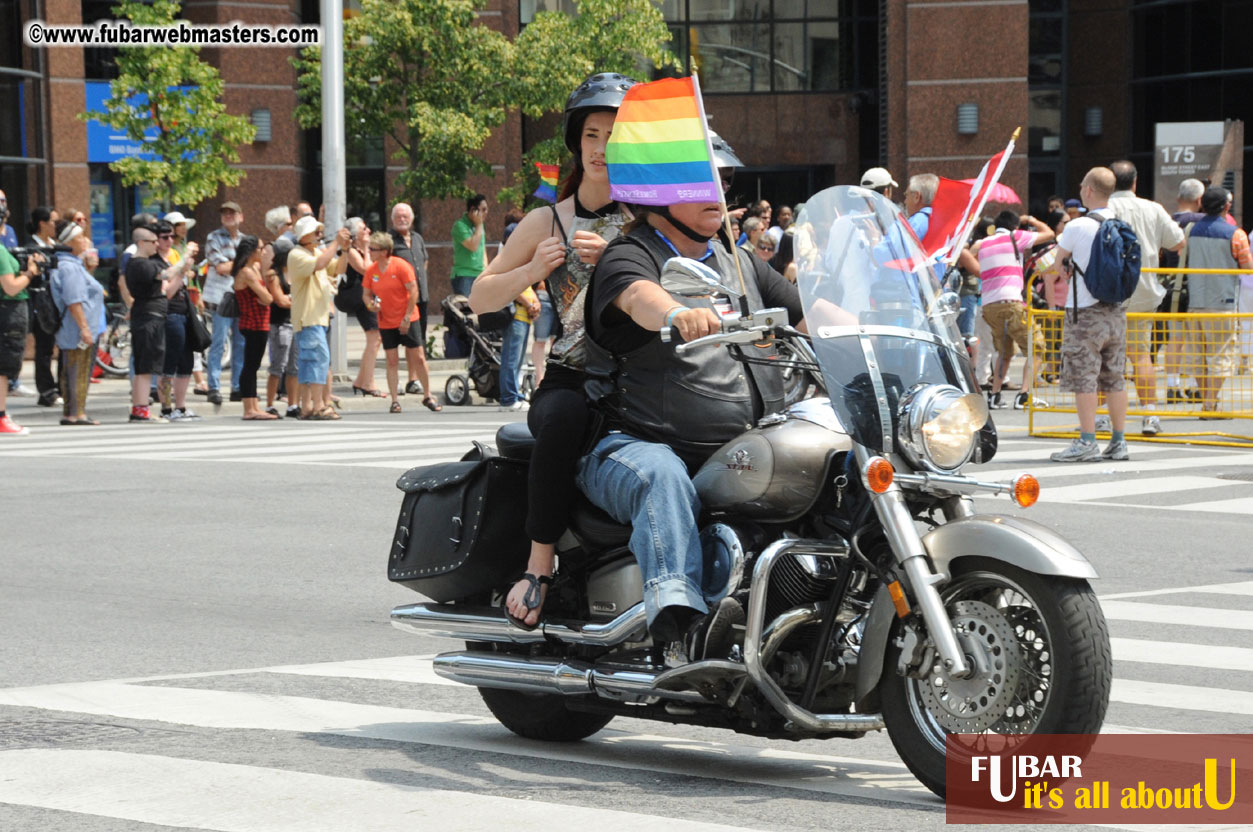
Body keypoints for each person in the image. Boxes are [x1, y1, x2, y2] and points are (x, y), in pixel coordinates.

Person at [577, 188, 806, 663]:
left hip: (734, 443)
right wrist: (677, 313)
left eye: (716, 183)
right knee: (662, 474)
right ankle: (683, 628)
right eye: (695, 184)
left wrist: (871, 322)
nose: (715, 195)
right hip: (631, 440)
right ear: (655, 197)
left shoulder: (738, 263)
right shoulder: (630, 254)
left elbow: (807, 313)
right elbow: (640, 296)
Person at [469, 71, 636, 629]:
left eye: (613, 135)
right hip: (569, 378)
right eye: (591, 135)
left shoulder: (647, 221)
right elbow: (479, 296)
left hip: (640, 376)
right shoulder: (549, 220)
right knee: (562, 418)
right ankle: (538, 565)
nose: (601, 148)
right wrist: (533, 268)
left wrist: (619, 250)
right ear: (577, 142)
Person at [1050, 167, 1130, 463]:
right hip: (1116, 311)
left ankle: (1087, 441)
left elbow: (1059, 264)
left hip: (1084, 312)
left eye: (1083, 185)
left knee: (1084, 378)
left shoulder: (1076, 226)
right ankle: (1119, 442)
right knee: (1114, 377)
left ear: (1089, 191)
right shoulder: (1121, 224)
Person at [1108, 160, 1186, 436]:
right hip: (1143, 290)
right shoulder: (1153, 208)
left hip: (1109, 293)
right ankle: (1149, 415)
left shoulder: (1105, 209)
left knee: (1108, 357)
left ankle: (1105, 417)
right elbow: (1178, 241)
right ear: (1135, 182)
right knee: (1141, 355)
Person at [973, 210, 1055, 409]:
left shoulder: (984, 242)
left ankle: (994, 395)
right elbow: (1050, 234)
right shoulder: (1015, 237)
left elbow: (970, 250)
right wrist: (1032, 219)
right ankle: (1024, 395)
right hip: (1011, 302)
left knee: (1004, 351)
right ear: (1015, 226)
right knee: (1036, 347)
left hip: (989, 306)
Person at [1180, 186, 1250, 416]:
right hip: (1223, 302)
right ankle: (1210, 403)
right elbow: (1247, 267)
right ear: (1227, 206)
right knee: (1221, 353)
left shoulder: (1190, 231)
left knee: (1197, 354)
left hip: (1195, 300)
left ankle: (1208, 401)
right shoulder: (1236, 234)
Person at [289, 215, 349, 420]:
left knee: (308, 363)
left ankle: (306, 406)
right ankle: (319, 405)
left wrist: (345, 250)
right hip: (309, 318)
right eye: (315, 232)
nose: (318, 234)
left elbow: (338, 268)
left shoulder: (315, 252)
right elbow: (321, 264)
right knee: (318, 360)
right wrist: (336, 243)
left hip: (317, 317)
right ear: (304, 235)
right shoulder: (297, 254)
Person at [125, 226, 187, 423]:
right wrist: (183, 263)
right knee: (145, 367)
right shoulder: (141, 264)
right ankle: (141, 409)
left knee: (145, 366)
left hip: (149, 317)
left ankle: (139, 408)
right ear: (142, 243)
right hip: (148, 318)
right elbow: (166, 276)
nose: (156, 245)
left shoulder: (142, 264)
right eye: (153, 241)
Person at [48, 219, 105, 425]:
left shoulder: (70, 265)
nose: (85, 241)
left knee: (71, 368)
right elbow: (74, 301)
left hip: (73, 327)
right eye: (80, 237)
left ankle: (71, 411)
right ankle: (77, 413)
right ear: (70, 242)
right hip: (76, 328)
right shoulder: (70, 268)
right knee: (78, 369)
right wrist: (85, 329)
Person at [389, 203, 440, 409]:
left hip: (421, 298)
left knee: (416, 342)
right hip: (400, 301)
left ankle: (413, 379)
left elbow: (424, 261)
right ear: (393, 220)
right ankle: (399, 382)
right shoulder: (390, 241)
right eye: (399, 216)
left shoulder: (417, 238)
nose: (402, 219)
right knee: (399, 343)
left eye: (405, 216)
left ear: (411, 218)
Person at [360, 231, 417, 412]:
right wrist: (370, 305)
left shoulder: (401, 266)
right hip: (386, 320)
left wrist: (407, 316)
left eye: (373, 249)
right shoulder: (372, 270)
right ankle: (394, 400)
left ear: (384, 251)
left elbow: (413, 291)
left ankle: (427, 394)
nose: (369, 252)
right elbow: (366, 294)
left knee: (418, 357)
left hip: (407, 318)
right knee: (391, 360)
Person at [152, 220, 201, 421]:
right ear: (155, 240)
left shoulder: (173, 256)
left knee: (186, 362)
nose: (169, 241)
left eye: (171, 236)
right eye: (165, 237)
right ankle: (166, 408)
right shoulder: (156, 263)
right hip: (169, 314)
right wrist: (181, 272)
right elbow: (168, 292)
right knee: (169, 363)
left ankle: (180, 406)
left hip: (184, 312)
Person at [203, 201, 247, 405]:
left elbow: (250, 266)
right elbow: (220, 267)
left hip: (242, 298)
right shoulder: (213, 237)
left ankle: (237, 387)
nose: (228, 216)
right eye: (225, 213)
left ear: (241, 217)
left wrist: (235, 265)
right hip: (221, 298)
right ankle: (214, 387)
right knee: (219, 343)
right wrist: (242, 265)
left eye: (232, 213)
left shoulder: (246, 240)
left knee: (241, 343)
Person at [228, 235, 276, 420]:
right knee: (249, 366)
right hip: (252, 323)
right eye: (260, 248)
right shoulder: (246, 272)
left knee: (253, 366)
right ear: (251, 251)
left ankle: (254, 406)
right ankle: (249, 408)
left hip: (260, 323)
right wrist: (265, 298)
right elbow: (268, 298)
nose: (263, 252)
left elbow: (266, 297)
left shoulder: (254, 268)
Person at [0, 243, 45, 434]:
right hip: (7, 311)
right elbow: (10, 287)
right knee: (3, 367)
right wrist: (30, 272)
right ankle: (1, 417)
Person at [337, 217, 384, 398]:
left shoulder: (364, 250)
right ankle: (367, 382)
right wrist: (365, 248)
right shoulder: (351, 251)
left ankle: (361, 380)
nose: (369, 231)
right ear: (356, 235)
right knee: (374, 338)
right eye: (364, 229)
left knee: (375, 338)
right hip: (359, 298)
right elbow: (367, 269)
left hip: (369, 297)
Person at [27, 207, 61, 408]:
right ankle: (46, 390)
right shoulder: (31, 247)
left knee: (62, 347)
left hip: (59, 302)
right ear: (42, 223)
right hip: (42, 304)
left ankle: (61, 387)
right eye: (53, 222)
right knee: (44, 348)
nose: (55, 226)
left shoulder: (56, 246)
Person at [265, 237, 299, 418]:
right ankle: (270, 403)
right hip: (280, 325)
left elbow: (289, 300)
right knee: (278, 366)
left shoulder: (295, 272)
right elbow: (280, 300)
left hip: (296, 323)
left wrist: (292, 300)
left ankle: (293, 404)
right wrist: (298, 300)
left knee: (294, 367)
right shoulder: (273, 274)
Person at [451, 194, 490, 297]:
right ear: (473, 210)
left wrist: (486, 270)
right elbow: (473, 246)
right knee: (468, 310)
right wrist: (479, 225)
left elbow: (482, 248)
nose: (486, 213)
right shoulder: (460, 226)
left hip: (480, 274)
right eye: (483, 209)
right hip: (464, 275)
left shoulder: (479, 225)